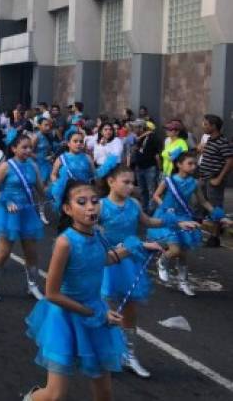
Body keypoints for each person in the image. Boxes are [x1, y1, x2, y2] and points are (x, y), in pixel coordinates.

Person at [22, 180, 163, 401]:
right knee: (55, 395)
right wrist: (95, 313)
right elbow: (52, 293)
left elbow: (103, 259)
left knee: (104, 393)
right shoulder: (64, 243)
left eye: (95, 201)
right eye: (82, 202)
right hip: (67, 318)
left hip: (95, 312)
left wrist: (139, 246)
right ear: (68, 209)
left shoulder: (97, 234)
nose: (91, 207)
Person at [96, 164, 199, 378]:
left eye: (132, 182)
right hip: (106, 262)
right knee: (106, 311)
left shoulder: (133, 204)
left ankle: (129, 355)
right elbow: (91, 235)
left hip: (130, 262)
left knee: (130, 312)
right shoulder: (100, 206)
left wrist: (178, 223)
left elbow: (150, 221)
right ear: (111, 182)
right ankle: (102, 352)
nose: (130, 186)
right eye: (126, 182)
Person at [148, 152, 224, 297]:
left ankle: (183, 282)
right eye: (190, 163)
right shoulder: (169, 180)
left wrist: (216, 213)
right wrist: (164, 207)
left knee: (183, 254)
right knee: (175, 250)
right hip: (168, 217)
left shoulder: (194, 183)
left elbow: (203, 201)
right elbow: (156, 195)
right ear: (179, 165)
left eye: (195, 164)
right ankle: (162, 262)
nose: (193, 166)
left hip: (184, 218)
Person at [0, 132, 45, 301]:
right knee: (4, 251)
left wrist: (60, 189)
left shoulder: (33, 166)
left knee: (31, 252)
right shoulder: (6, 166)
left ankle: (32, 285)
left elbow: (41, 190)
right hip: (7, 211)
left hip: (27, 211)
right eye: (24, 147)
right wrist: (7, 201)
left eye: (30, 147)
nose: (28, 150)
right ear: (14, 148)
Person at [197, 114, 232, 247]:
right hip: (204, 178)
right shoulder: (210, 140)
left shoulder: (222, 142)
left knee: (215, 207)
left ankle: (214, 237)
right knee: (201, 206)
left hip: (213, 179)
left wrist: (218, 179)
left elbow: (230, 161)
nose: (203, 126)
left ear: (214, 126)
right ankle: (200, 234)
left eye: (206, 124)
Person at [49, 132, 95, 215]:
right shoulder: (61, 158)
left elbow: (94, 174)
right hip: (68, 194)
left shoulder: (87, 157)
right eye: (75, 141)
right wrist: (57, 185)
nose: (78, 144)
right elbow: (53, 174)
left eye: (81, 141)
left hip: (84, 193)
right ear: (68, 144)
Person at [128, 120, 161, 215]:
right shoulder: (137, 138)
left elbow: (158, 153)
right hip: (139, 167)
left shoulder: (153, 137)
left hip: (150, 168)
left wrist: (159, 168)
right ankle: (144, 210)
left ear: (141, 128)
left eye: (135, 128)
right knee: (142, 190)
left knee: (152, 191)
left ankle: (152, 212)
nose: (133, 130)